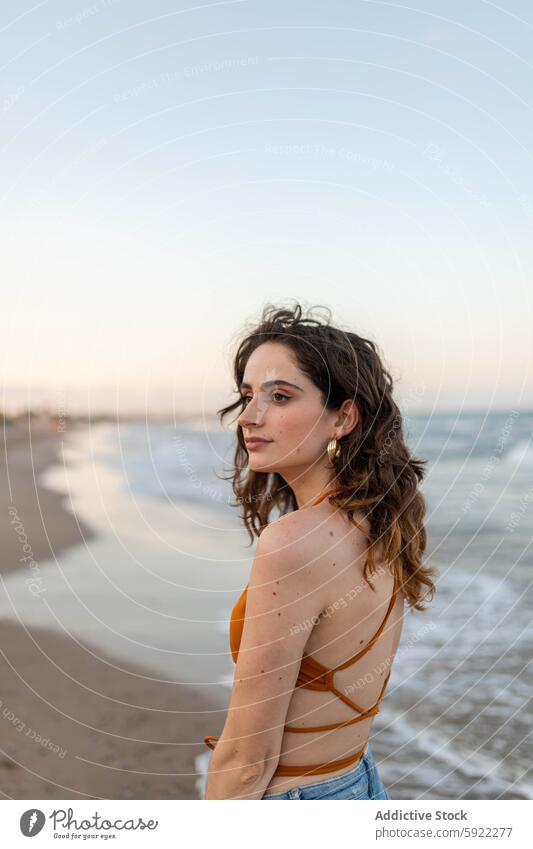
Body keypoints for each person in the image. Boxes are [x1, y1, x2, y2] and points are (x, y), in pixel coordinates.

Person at [203, 302, 436, 800]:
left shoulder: (293, 542)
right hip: (357, 781)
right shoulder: (379, 521)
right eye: (247, 396)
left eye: (280, 396)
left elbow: (247, 758)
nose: (248, 417)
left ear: (343, 417)